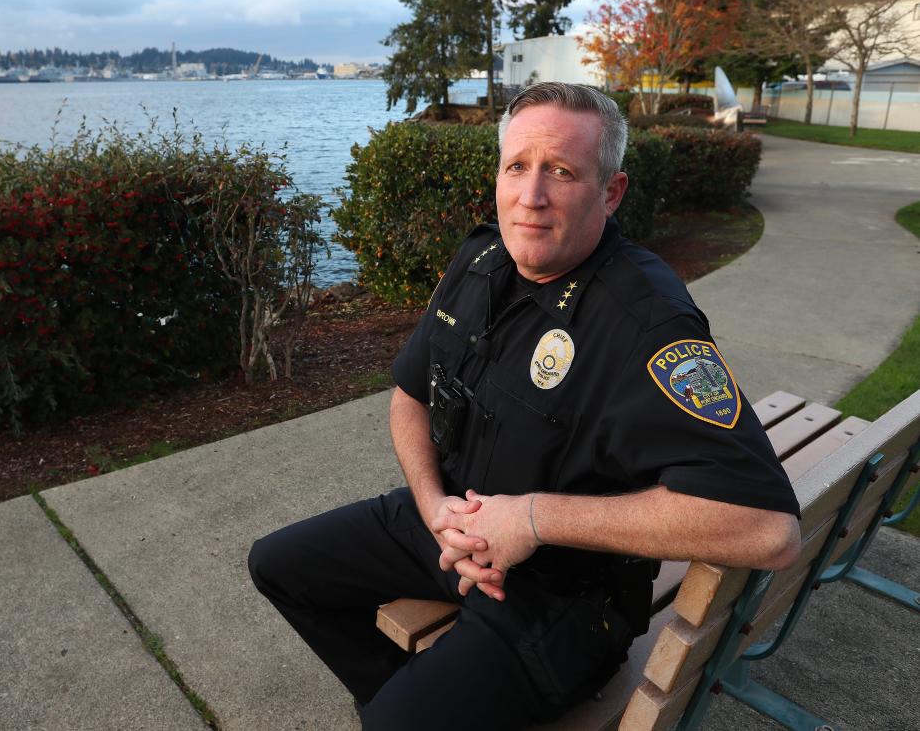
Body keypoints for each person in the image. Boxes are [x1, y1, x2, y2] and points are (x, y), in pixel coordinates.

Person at [248, 82, 801, 730]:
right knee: (278, 566)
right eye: (517, 167)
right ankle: (395, 692)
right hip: (451, 521)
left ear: (611, 191)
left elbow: (768, 527)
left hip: (562, 596)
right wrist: (433, 506)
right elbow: (408, 395)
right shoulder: (480, 259)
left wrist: (534, 518)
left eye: (561, 172)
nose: (531, 195)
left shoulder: (644, 322)